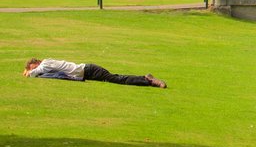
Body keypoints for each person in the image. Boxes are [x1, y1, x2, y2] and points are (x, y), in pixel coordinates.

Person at [24, 58, 166, 88]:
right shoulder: (46, 66)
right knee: (116, 78)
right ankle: (146, 79)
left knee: (117, 79)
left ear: (36, 62)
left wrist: (28, 72)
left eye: (32, 66)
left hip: (89, 70)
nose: (33, 69)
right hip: (87, 72)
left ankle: (147, 80)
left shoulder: (45, 63)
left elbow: (36, 73)